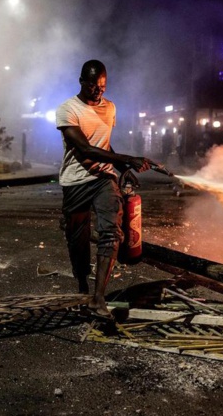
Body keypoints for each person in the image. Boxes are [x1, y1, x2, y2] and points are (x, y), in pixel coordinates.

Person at [56, 59, 155, 319]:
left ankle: (98, 298)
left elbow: (103, 146)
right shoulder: (68, 110)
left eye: (102, 86)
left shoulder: (110, 108)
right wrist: (127, 159)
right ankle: (82, 285)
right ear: (81, 82)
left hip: (103, 179)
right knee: (77, 241)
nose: (98, 91)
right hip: (75, 180)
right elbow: (86, 149)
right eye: (92, 85)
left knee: (112, 232)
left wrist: (123, 170)